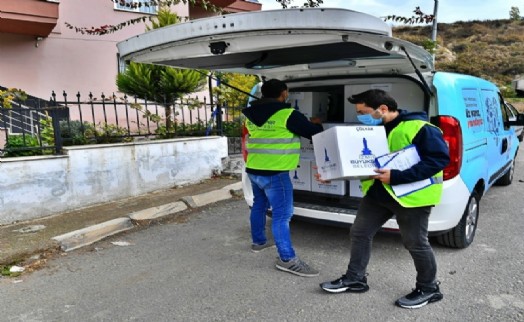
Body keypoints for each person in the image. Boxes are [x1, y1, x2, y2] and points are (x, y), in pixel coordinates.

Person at [318, 89, 450, 309]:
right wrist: (329, 173)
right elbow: (360, 163)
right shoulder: (373, 130)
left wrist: (397, 176)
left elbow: (438, 160)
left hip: (411, 198)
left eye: (363, 111)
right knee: (360, 233)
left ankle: (429, 288)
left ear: (383, 109)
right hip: (379, 194)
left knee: (416, 243)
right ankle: (356, 278)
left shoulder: (422, 128)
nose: (360, 116)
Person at [242, 79, 323, 277]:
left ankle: (258, 242)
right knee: (281, 216)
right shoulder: (288, 114)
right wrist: (316, 124)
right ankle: (287, 259)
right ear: (284, 93)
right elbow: (313, 133)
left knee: (259, 204)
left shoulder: (249, 115)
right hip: (275, 174)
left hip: (253, 169)